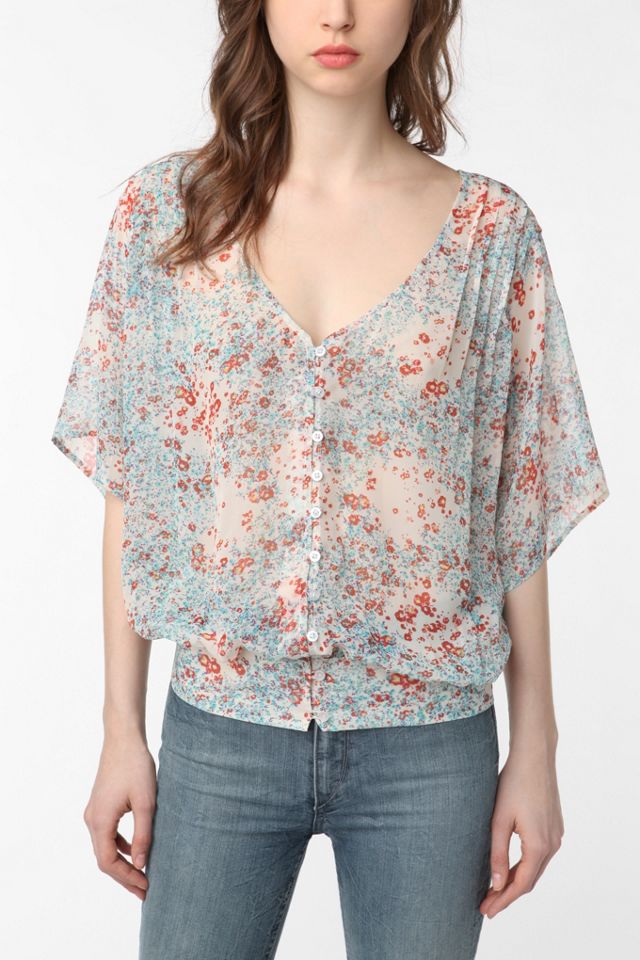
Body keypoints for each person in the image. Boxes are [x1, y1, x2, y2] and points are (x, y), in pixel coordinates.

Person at [50, 2, 610, 958]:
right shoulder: (166, 218)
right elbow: (134, 494)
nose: (338, 14)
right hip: (220, 726)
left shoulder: (491, 236)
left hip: (430, 742)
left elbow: (515, 508)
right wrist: (120, 731)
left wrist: (537, 749)